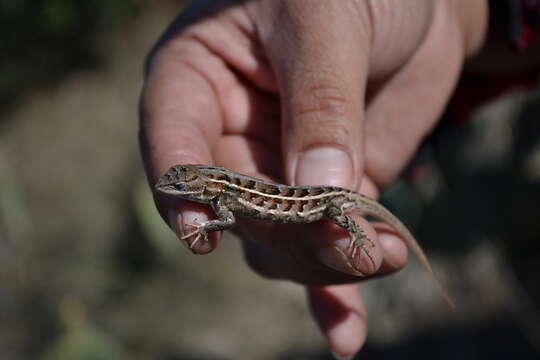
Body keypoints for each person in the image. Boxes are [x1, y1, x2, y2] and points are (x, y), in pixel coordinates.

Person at [139, 1, 488, 358]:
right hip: (312, 195)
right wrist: (454, 19)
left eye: (180, 187)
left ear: (198, 186)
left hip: (323, 201)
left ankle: (354, 230)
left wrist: (205, 226)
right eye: (177, 185)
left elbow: (227, 220)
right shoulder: (220, 190)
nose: (173, 190)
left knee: (338, 222)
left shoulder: (223, 197)